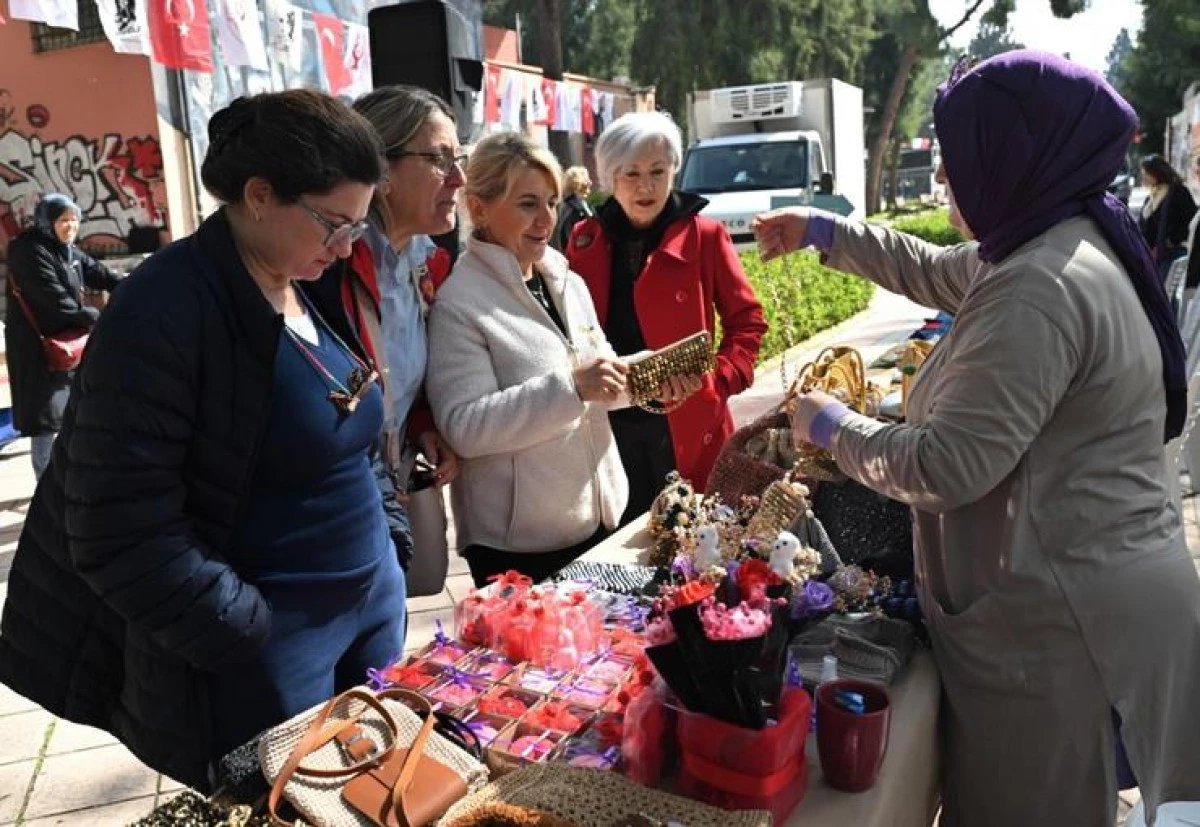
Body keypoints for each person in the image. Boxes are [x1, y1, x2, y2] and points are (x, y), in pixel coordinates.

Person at [754, 51, 1200, 827]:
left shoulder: (1040, 284)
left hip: (1060, 616)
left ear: (1010, 160)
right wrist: (823, 231)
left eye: (958, 166)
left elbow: (944, 464)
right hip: (1091, 579)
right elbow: (938, 267)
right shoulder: (1058, 234)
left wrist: (830, 424)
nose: (944, 188)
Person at [0, 90, 406, 790]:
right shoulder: (164, 310)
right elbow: (115, 528)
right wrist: (249, 631)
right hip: (267, 664)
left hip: (363, 618)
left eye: (357, 227)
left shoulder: (299, 272)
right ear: (258, 195)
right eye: (333, 224)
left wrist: (388, 540)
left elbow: (352, 423)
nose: (345, 248)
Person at [426, 132, 630, 587]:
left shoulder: (564, 279)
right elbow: (464, 426)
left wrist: (649, 382)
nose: (546, 219)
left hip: (597, 523)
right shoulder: (459, 303)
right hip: (518, 550)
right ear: (478, 208)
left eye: (553, 202)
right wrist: (572, 387)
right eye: (527, 204)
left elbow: (599, 378)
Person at [566, 111, 767, 524]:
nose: (646, 186)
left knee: (699, 545)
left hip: (689, 420)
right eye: (631, 173)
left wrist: (718, 382)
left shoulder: (706, 235)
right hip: (611, 425)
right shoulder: (584, 240)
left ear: (674, 169)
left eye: (658, 170)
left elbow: (747, 321)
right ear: (608, 177)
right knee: (622, 551)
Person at [304, 85, 463, 577]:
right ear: (383, 171)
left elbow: (396, 379)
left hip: (393, 484)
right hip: (334, 504)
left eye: (459, 157)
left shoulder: (427, 266)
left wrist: (422, 426)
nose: (459, 178)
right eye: (439, 159)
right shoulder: (328, 266)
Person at [4, 193, 120, 478]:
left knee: (72, 412)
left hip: (67, 346)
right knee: (46, 420)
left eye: (74, 220)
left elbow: (98, 272)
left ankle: (71, 479)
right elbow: (53, 299)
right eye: (63, 220)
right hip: (37, 348)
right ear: (47, 222)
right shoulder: (30, 250)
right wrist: (98, 318)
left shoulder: (66, 249)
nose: (70, 226)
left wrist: (130, 288)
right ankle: (46, 489)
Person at [1138, 154, 1197, 281]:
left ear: (1157, 173)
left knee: (1165, 291)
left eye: (1147, 173)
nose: (1144, 177)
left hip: (1173, 252)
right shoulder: (1151, 196)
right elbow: (1145, 225)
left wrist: (1170, 241)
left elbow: (1189, 220)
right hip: (1153, 255)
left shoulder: (1178, 192)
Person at [553, 165, 593, 251]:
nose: (590, 182)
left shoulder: (567, 207)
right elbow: (580, 242)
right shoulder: (577, 209)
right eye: (586, 179)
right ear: (579, 182)